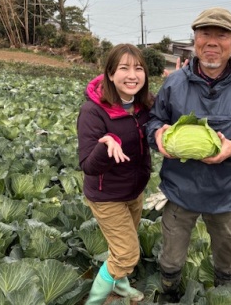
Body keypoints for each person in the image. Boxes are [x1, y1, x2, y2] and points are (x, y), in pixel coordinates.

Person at [145, 7, 231, 300]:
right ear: (195, 39)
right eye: (205, 34)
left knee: (227, 258)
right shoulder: (175, 83)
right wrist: (157, 134)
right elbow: (153, 120)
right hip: (180, 190)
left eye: (222, 35)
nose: (212, 42)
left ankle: (225, 294)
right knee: (171, 258)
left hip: (224, 192)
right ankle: (169, 293)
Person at [77, 43, 153, 304]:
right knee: (126, 254)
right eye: (124, 68)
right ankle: (94, 301)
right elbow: (87, 165)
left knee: (119, 248)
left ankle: (119, 286)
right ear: (110, 73)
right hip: (106, 195)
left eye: (138, 68)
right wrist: (106, 143)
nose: (132, 75)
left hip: (135, 191)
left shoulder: (143, 106)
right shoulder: (93, 111)